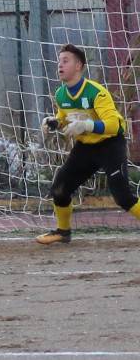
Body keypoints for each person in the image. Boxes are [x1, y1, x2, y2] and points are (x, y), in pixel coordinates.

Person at [36, 44, 138, 244]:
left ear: (79, 66)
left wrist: (86, 125)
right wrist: (54, 122)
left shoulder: (96, 92)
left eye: (66, 61)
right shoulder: (61, 94)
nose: (60, 65)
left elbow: (115, 125)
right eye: (59, 61)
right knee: (59, 189)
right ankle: (63, 232)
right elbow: (65, 117)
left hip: (110, 145)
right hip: (85, 147)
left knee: (123, 197)